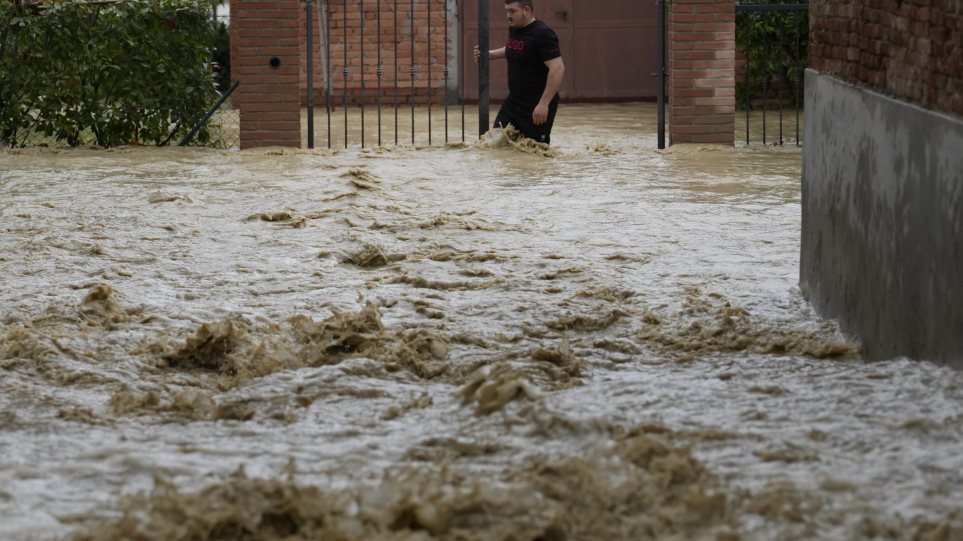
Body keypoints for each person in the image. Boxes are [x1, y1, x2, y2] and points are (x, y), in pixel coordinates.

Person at [474, 0, 565, 145]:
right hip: (513, 103)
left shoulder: (543, 34)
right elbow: (514, 49)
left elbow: (557, 68)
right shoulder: (515, 27)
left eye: (512, 11)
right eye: (506, 11)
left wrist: (543, 104)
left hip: (536, 107)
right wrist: (489, 55)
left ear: (526, 10)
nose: (508, 15)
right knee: (494, 144)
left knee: (535, 154)